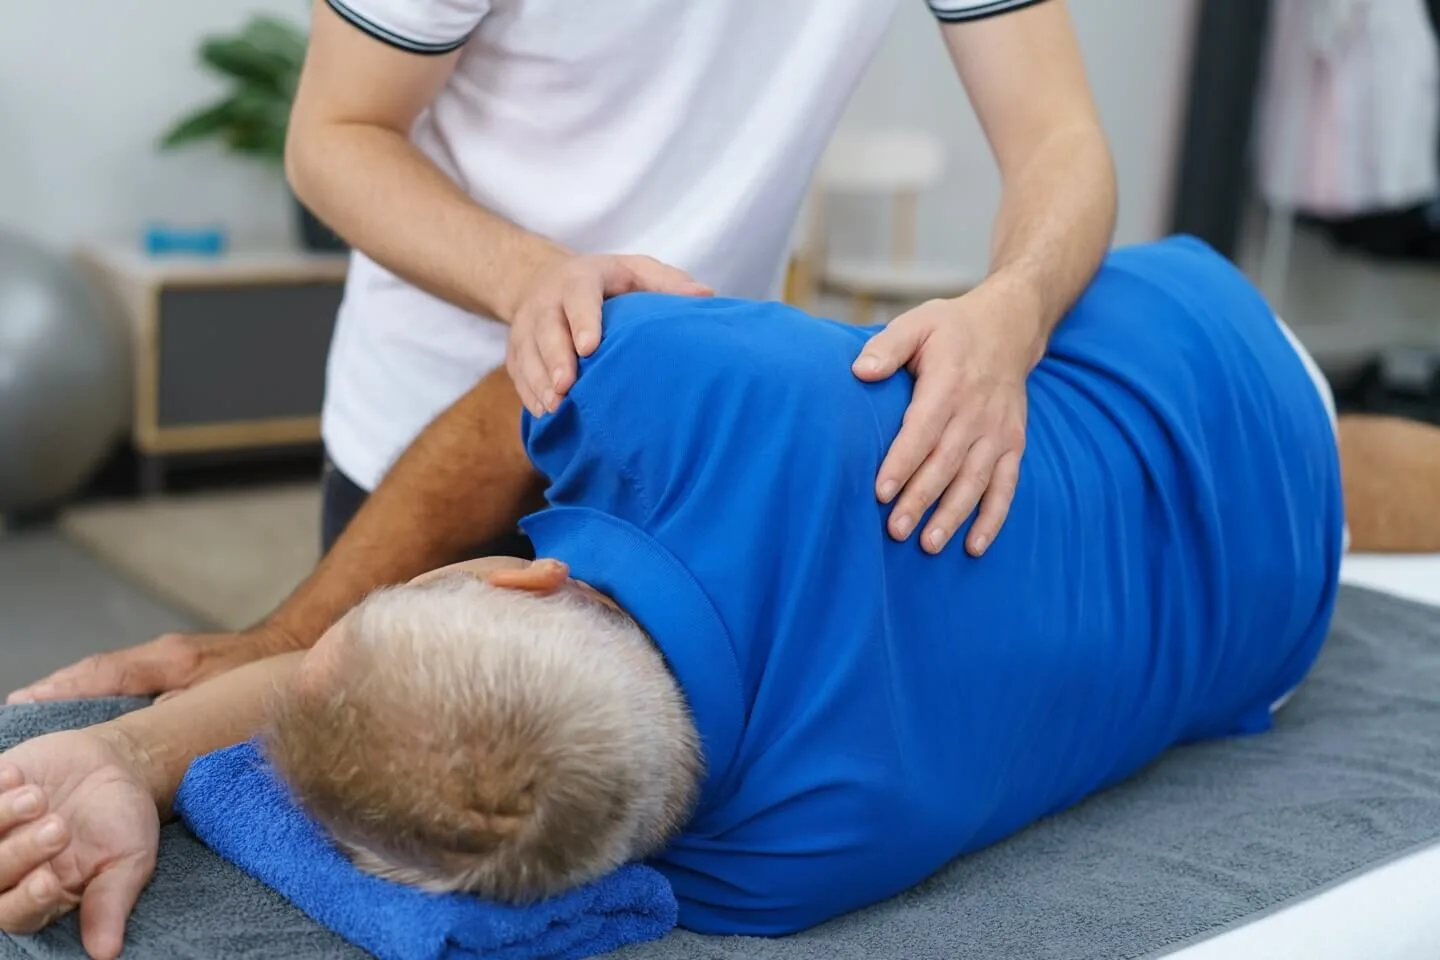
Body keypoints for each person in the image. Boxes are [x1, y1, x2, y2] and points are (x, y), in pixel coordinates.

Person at [4, 237, 1440, 960]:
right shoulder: (725, 400)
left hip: (1275, 615)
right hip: (1196, 356)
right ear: (526, 567)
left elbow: (454, 816)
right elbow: (533, 385)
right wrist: (151, 742)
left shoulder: (793, 869)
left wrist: (141, 749)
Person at [7, 0, 1120, 706]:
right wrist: (529, 276)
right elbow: (333, 135)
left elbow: (1060, 137)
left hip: (682, 454)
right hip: (431, 448)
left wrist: (1011, 310)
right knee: (368, 782)